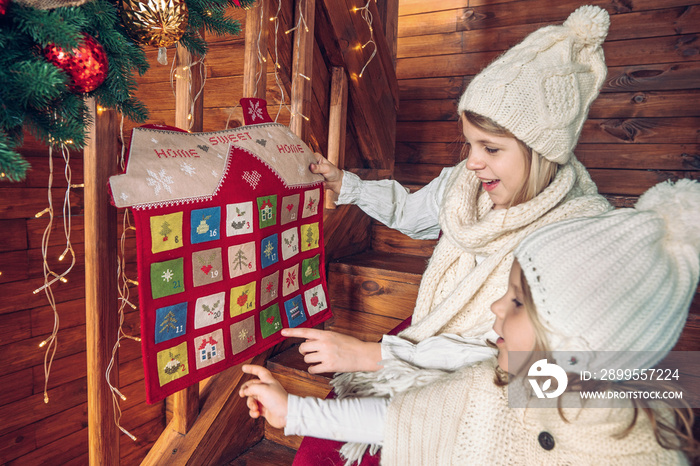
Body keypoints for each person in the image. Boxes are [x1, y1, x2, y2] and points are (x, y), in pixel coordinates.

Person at [239, 179, 700, 464]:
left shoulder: (638, 452)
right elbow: (404, 419)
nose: (497, 308)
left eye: (518, 303)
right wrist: (294, 411)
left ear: (579, 342)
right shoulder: (500, 381)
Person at [283, 5, 612, 378]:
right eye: (469, 145)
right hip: (430, 332)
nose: (471, 163)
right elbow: (409, 212)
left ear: (541, 152)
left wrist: (376, 356)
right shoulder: (463, 185)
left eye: (490, 148)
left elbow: (525, 364)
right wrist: (345, 184)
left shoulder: (577, 237)